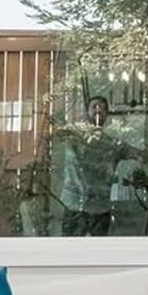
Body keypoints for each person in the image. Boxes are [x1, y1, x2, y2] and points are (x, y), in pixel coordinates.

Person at [57, 96, 133, 235]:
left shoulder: (112, 145)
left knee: (99, 253)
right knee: (69, 252)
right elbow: (56, 132)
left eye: (104, 109)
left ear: (107, 115)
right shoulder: (73, 135)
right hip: (74, 205)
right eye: (95, 106)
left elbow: (137, 154)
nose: (99, 111)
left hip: (100, 208)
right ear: (86, 111)